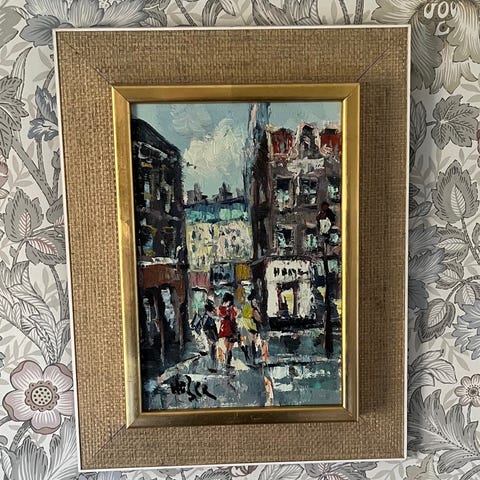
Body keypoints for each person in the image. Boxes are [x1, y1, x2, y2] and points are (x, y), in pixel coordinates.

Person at [218, 292, 238, 368]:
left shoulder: (231, 308)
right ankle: (225, 363)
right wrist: (225, 307)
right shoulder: (222, 308)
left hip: (232, 329)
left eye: (230, 302)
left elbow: (234, 315)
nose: (229, 303)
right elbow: (222, 315)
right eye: (228, 301)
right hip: (225, 329)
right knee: (226, 347)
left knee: (230, 348)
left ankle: (228, 363)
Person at [200, 300, 219, 372]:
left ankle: (213, 366)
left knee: (213, 347)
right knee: (212, 347)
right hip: (209, 329)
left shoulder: (209, 312)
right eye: (212, 305)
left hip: (212, 329)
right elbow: (213, 317)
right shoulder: (207, 312)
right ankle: (212, 366)